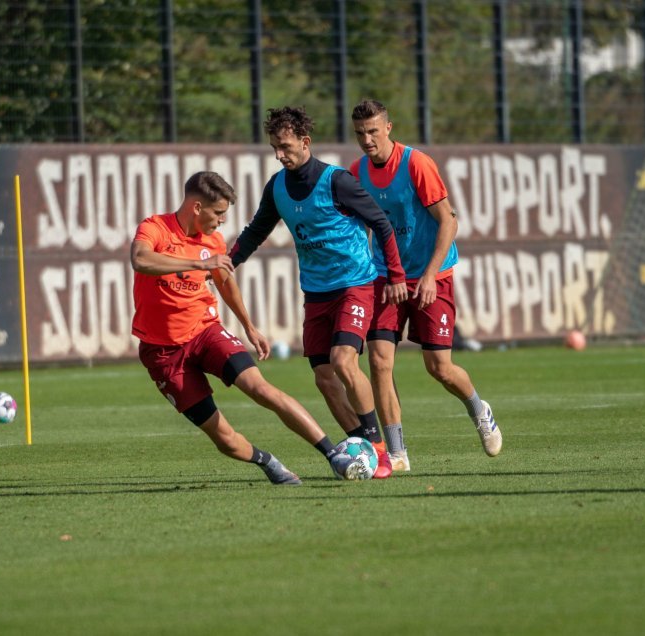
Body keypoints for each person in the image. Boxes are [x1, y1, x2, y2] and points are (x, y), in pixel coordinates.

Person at [131, 171, 371, 484]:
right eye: (218, 213)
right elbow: (140, 260)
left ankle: (333, 454)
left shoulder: (214, 241)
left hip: (206, 333)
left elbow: (226, 284)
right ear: (197, 208)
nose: (221, 222)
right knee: (225, 439)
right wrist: (200, 264)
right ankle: (269, 463)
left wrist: (249, 327)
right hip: (163, 353)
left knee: (261, 389)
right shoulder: (155, 228)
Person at [229, 106, 408, 479]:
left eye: (285, 146)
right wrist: (228, 262)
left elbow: (381, 224)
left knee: (344, 361)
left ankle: (379, 449)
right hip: (316, 293)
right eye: (275, 148)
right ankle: (364, 450)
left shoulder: (337, 181)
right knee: (324, 378)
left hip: (355, 285)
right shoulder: (277, 187)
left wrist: (394, 276)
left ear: (305, 142)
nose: (279, 154)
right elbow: (256, 231)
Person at [348, 99, 502, 472]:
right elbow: (359, 228)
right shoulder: (356, 172)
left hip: (433, 273)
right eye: (360, 134)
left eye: (373, 131)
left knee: (439, 367)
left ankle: (479, 408)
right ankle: (397, 453)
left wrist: (431, 275)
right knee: (380, 362)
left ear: (388, 128)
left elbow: (449, 221)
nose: (367, 140)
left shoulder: (416, 164)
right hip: (386, 275)